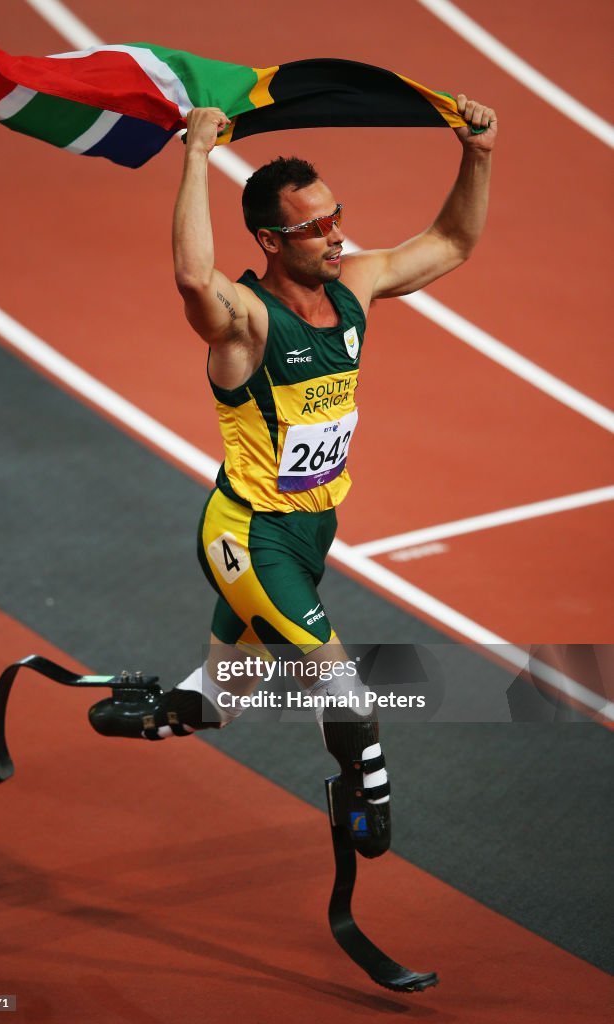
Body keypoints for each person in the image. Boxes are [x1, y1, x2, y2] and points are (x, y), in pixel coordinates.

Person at [89, 95, 497, 856]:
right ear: (271, 242)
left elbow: (450, 240)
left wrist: (476, 155)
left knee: (227, 698)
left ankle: (151, 709)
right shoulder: (244, 321)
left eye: (335, 216)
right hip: (247, 535)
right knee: (341, 689)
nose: (336, 236)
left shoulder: (354, 286)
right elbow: (190, 276)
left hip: (312, 532)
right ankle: (366, 805)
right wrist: (197, 155)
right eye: (315, 229)